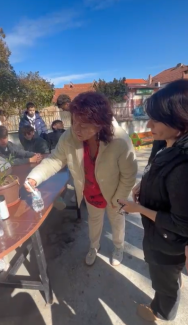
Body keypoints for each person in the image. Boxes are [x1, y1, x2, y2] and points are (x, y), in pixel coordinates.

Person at [25, 91, 137, 266]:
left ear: (100, 123)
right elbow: (55, 160)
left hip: (116, 191)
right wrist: (34, 178)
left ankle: (118, 247)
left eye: (84, 125)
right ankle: (94, 247)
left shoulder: (119, 140)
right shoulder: (69, 137)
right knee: (94, 221)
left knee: (117, 221)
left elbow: (129, 174)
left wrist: (119, 197)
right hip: (91, 191)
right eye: (74, 121)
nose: (77, 128)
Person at [119, 79, 188, 322]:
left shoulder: (182, 168)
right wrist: (143, 182)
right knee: (164, 278)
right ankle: (160, 304)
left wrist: (138, 208)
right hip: (159, 237)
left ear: (179, 123)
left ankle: (161, 314)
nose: (149, 125)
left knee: (165, 283)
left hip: (169, 243)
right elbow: (151, 160)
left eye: (155, 120)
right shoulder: (165, 142)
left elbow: (182, 224)